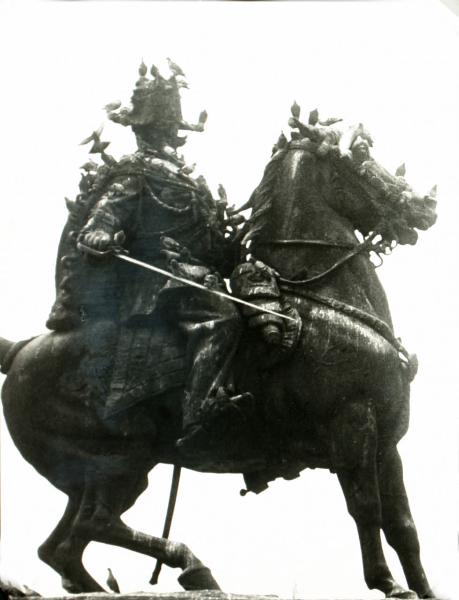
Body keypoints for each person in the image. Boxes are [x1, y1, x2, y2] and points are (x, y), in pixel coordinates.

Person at [46, 61, 247, 453]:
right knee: (222, 318)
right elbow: (100, 220)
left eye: (170, 125)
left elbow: (210, 246)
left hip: (194, 276)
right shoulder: (133, 172)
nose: (168, 131)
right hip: (157, 281)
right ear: (145, 128)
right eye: (160, 125)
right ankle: (201, 412)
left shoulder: (188, 178)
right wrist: (101, 233)